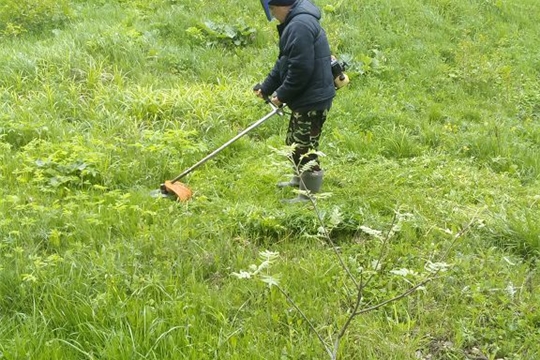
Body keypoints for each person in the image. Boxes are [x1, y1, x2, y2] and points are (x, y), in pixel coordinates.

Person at [254, 0, 336, 203]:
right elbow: (284, 62)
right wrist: (266, 88)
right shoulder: (294, 23)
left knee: (304, 148)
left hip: (312, 99)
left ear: (282, 6)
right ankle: (299, 180)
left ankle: (308, 197)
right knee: (293, 142)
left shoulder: (299, 25)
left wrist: (281, 95)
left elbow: (301, 70)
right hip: (305, 97)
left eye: (272, 10)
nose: (273, 16)